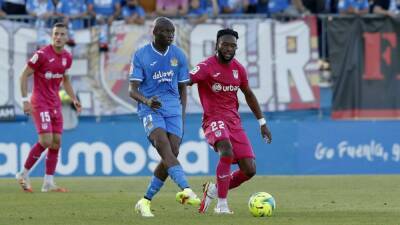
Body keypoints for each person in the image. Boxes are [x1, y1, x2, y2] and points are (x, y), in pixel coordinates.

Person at [188, 28, 272, 214]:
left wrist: (262, 122)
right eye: (225, 44)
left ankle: (214, 189)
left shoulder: (238, 69)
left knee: (249, 170)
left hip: (234, 122)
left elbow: (248, 94)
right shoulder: (206, 66)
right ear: (217, 45)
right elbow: (186, 79)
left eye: (233, 45)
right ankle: (222, 205)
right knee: (226, 149)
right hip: (213, 119)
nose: (228, 48)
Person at [129, 17, 200, 217]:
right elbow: (131, 90)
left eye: (172, 32)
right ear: (155, 32)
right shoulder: (141, 55)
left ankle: (145, 201)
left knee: (172, 152)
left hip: (174, 111)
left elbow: (183, 89)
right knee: (162, 144)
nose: (170, 35)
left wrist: (183, 115)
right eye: (166, 32)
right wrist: (147, 101)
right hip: (150, 109)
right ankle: (186, 189)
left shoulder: (178, 55)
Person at [16, 22, 82, 193]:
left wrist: (74, 99)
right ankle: (23, 174)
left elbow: (65, 79)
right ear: (52, 36)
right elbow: (23, 75)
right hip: (40, 102)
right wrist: (25, 100)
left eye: (62, 34)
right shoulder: (42, 55)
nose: (58, 37)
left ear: (67, 37)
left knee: (56, 142)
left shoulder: (67, 57)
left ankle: (48, 183)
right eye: (56, 34)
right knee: (45, 140)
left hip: (55, 103)